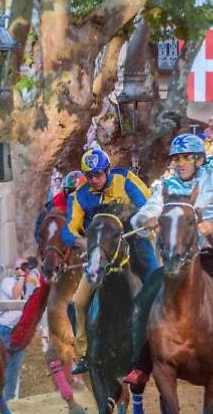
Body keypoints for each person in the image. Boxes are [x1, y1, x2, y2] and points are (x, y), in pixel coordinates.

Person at [125, 133, 213, 385]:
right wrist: (147, 220)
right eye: (177, 158)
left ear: (199, 159)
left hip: (209, 253)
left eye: (186, 157)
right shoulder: (167, 186)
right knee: (143, 302)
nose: (180, 163)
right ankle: (141, 366)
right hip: (176, 259)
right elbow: (143, 215)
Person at [63, 148, 159, 374]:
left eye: (97, 174)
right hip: (102, 249)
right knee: (78, 302)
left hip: (134, 241)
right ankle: (85, 354)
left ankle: (166, 340)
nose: (93, 180)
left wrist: (144, 221)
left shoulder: (124, 179)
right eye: (88, 176)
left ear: (107, 170)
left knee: (157, 283)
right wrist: (85, 242)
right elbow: (68, 230)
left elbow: (147, 202)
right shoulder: (80, 195)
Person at [0, 258, 38, 401]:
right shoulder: (7, 281)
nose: (23, 269)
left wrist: (34, 280)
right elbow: (16, 295)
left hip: (20, 331)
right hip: (3, 329)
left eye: (25, 267)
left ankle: (9, 402)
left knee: (13, 369)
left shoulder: (32, 282)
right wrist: (21, 278)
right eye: (19, 267)